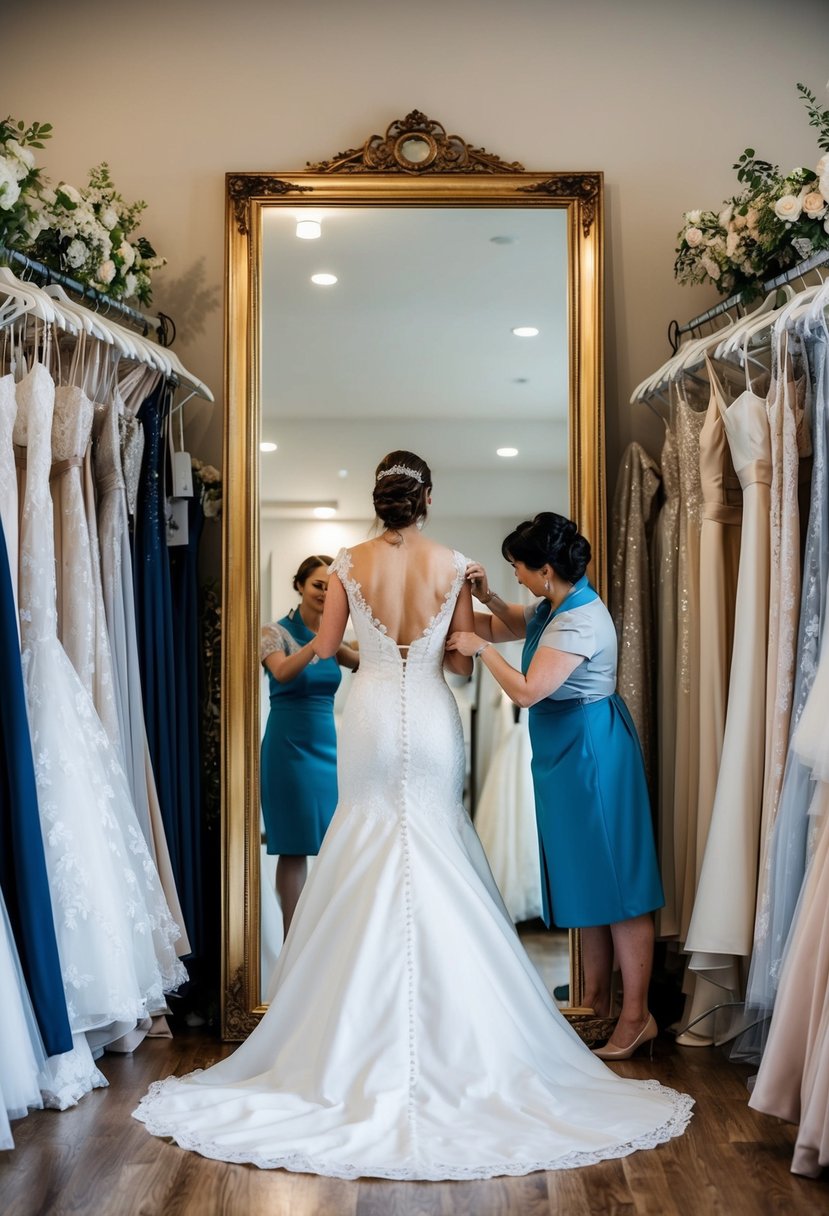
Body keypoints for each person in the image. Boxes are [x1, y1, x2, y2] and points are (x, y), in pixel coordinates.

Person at [133, 455, 691, 1179]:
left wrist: (354, 648)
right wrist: (432, 649)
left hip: (365, 720)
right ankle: (466, 1035)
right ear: (427, 499)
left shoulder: (345, 563)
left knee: (362, 841)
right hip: (429, 720)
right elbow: (461, 665)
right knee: (437, 846)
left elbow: (329, 650)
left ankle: (335, 1040)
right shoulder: (455, 565)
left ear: (380, 501)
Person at [446, 512, 665, 1060]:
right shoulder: (555, 605)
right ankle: (594, 1001)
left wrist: (480, 650)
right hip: (565, 754)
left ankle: (636, 1016)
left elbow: (525, 691)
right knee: (587, 878)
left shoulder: (580, 620)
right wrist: (489, 599)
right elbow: (514, 621)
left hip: (591, 753)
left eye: (519, 568)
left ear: (546, 569)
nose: (516, 576)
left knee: (619, 882)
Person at [260, 555, 358, 937]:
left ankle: (328, 936)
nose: (324, 593)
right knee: (294, 844)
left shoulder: (334, 639)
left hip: (329, 750)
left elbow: (365, 664)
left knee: (335, 842)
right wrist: (321, 641)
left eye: (332, 587)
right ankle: (293, 937)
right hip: (288, 749)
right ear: (299, 585)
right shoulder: (274, 632)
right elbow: (282, 672)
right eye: (318, 585)